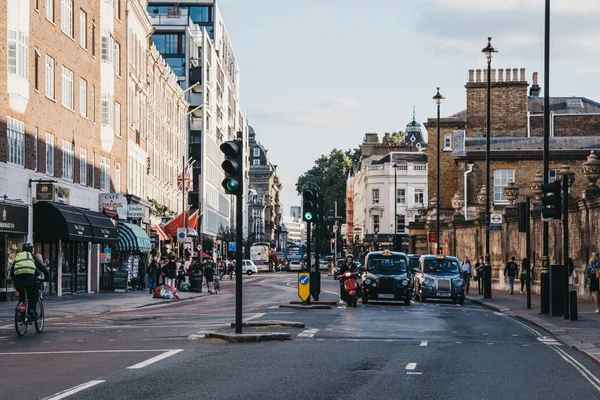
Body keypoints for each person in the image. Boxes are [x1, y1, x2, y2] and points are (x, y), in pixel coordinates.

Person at [10, 242, 50, 319]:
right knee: (35, 294)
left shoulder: (18, 257)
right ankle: (31, 310)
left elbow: (12, 271)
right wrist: (47, 277)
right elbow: (43, 268)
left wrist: (15, 280)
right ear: (32, 250)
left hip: (18, 282)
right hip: (30, 281)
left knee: (22, 294)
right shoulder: (32, 257)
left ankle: (22, 313)